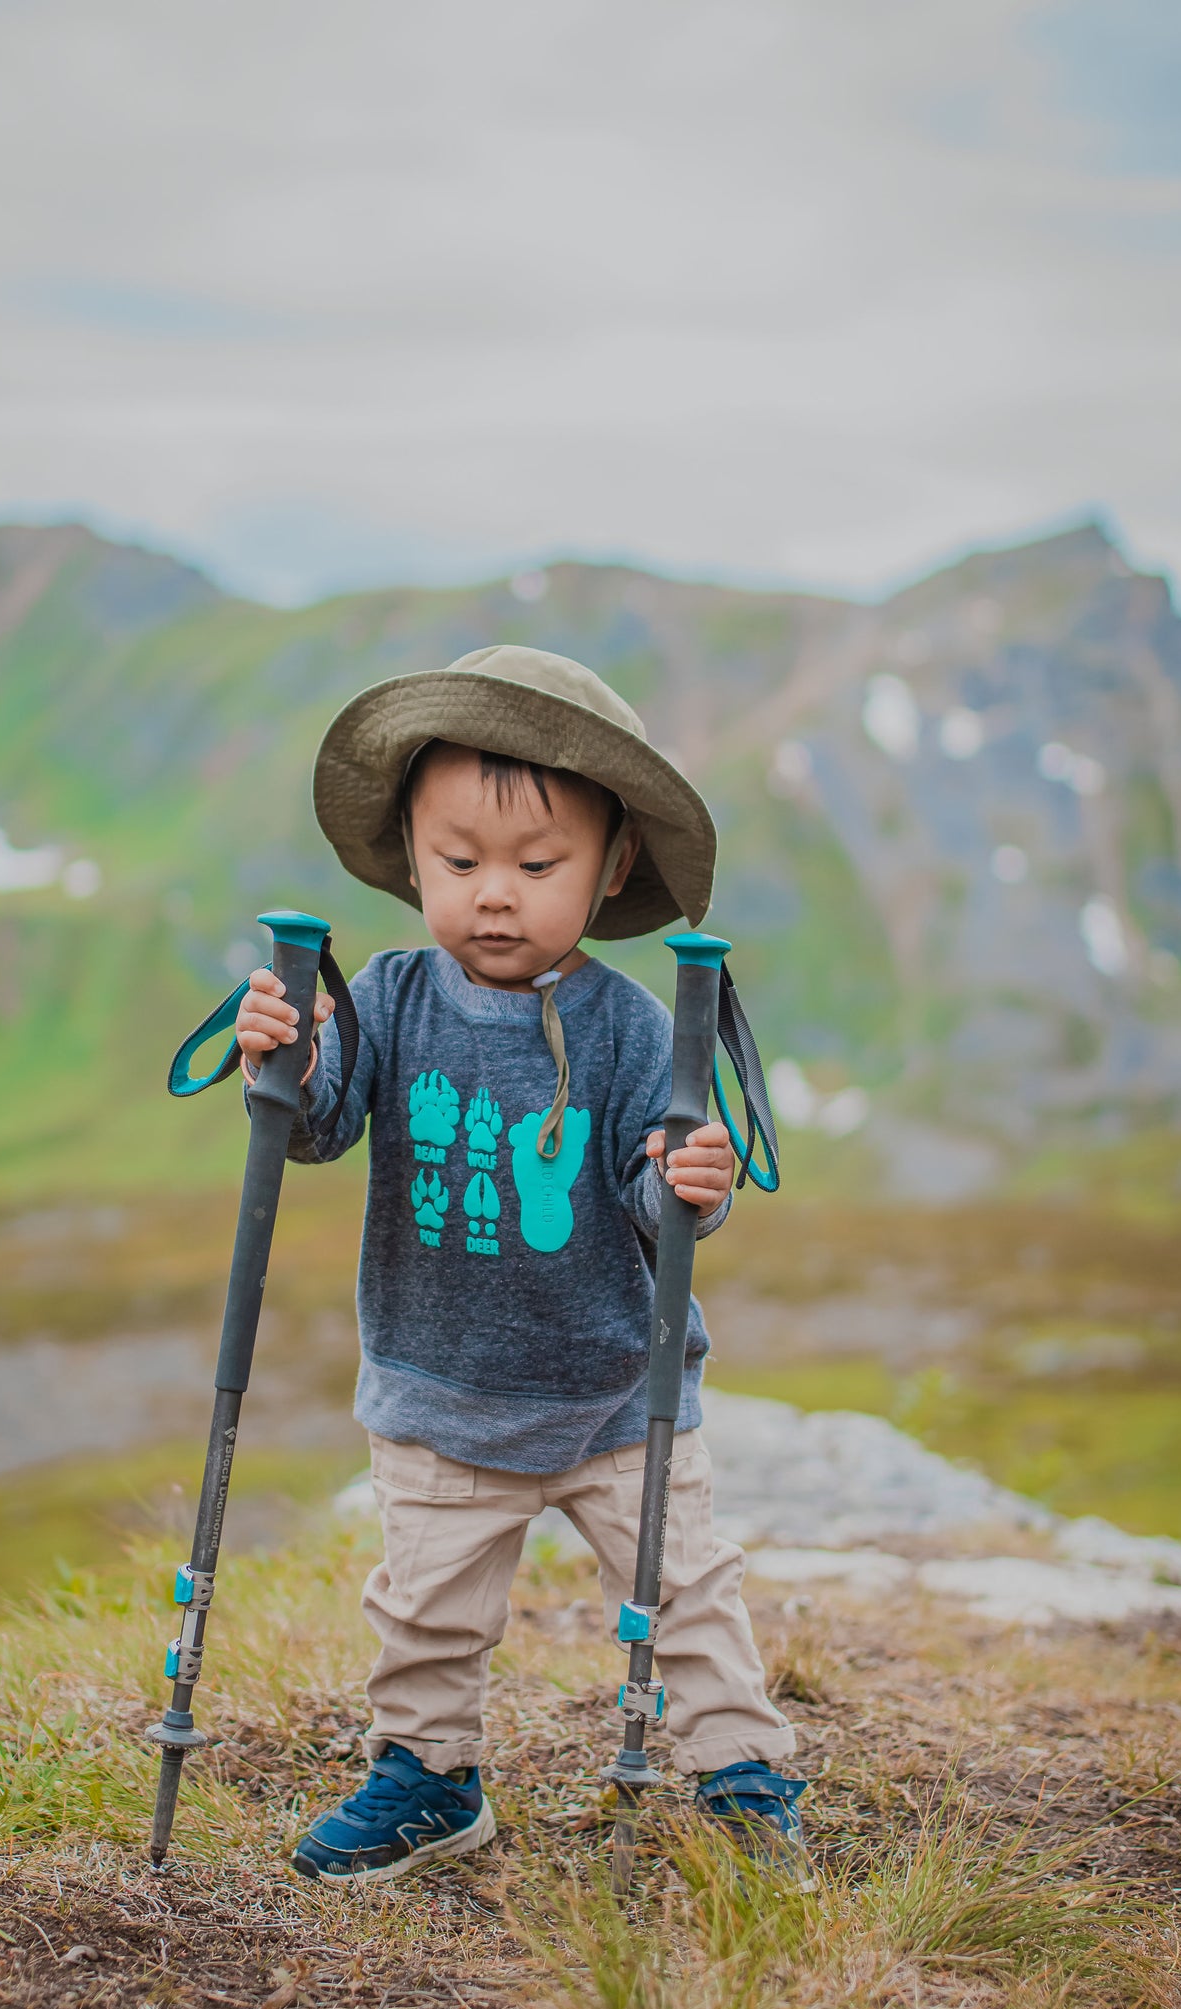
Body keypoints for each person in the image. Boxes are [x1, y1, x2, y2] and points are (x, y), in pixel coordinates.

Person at [236, 645, 804, 1883]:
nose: (494, 894)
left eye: (535, 866)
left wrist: (683, 1183)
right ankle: (428, 1776)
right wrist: (287, 1054)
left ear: (609, 869)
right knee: (426, 1609)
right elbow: (323, 1123)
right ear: (410, 856)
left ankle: (739, 1771)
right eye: (458, 862)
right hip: (439, 1390)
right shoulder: (386, 996)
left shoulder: (630, 1026)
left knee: (687, 1587)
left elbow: (650, 1199)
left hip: (611, 1391)